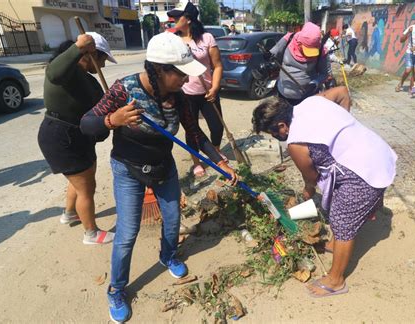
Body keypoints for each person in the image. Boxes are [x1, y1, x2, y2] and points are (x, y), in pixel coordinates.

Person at [80, 32, 238, 322]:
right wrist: (111, 120)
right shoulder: (123, 89)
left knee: (173, 218)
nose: (185, 80)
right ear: (159, 70)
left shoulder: (179, 97)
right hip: (128, 168)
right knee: (127, 234)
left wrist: (221, 163)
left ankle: (168, 255)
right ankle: (116, 289)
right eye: (180, 73)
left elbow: (194, 134)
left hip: (163, 166)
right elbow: (87, 124)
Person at [251, 86, 397, 298]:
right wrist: (343, 129)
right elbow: (343, 92)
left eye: (273, 133)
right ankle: (337, 244)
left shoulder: (295, 142)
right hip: (376, 151)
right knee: (341, 208)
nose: (275, 137)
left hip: (364, 170)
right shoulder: (312, 102)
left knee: (341, 220)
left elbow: (311, 178)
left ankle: (336, 280)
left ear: (282, 125)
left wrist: (307, 191)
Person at [37, 32, 116, 245]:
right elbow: (54, 73)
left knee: (81, 176)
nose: (103, 66)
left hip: (77, 136)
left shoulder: (88, 81)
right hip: (61, 135)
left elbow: (100, 111)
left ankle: (70, 213)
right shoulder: (67, 71)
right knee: (86, 187)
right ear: (89, 54)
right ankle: (91, 233)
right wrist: (78, 47)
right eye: (102, 59)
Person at [167, 2, 227, 179]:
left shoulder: (207, 38)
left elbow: (217, 66)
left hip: (208, 92)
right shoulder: (173, 40)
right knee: (192, 130)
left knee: (216, 127)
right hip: (185, 94)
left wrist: (215, 87)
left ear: (189, 19)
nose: (174, 20)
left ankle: (215, 152)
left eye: (178, 17)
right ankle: (196, 162)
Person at [269, 22, 332, 106]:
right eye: (306, 49)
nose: (308, 55)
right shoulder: (289, 39)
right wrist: (268, 57)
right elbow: (273, 54)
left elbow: (324, 74)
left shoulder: (321, 51)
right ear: (300, 42)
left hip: (305, 98)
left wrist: (315, 83)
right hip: (283, 93)